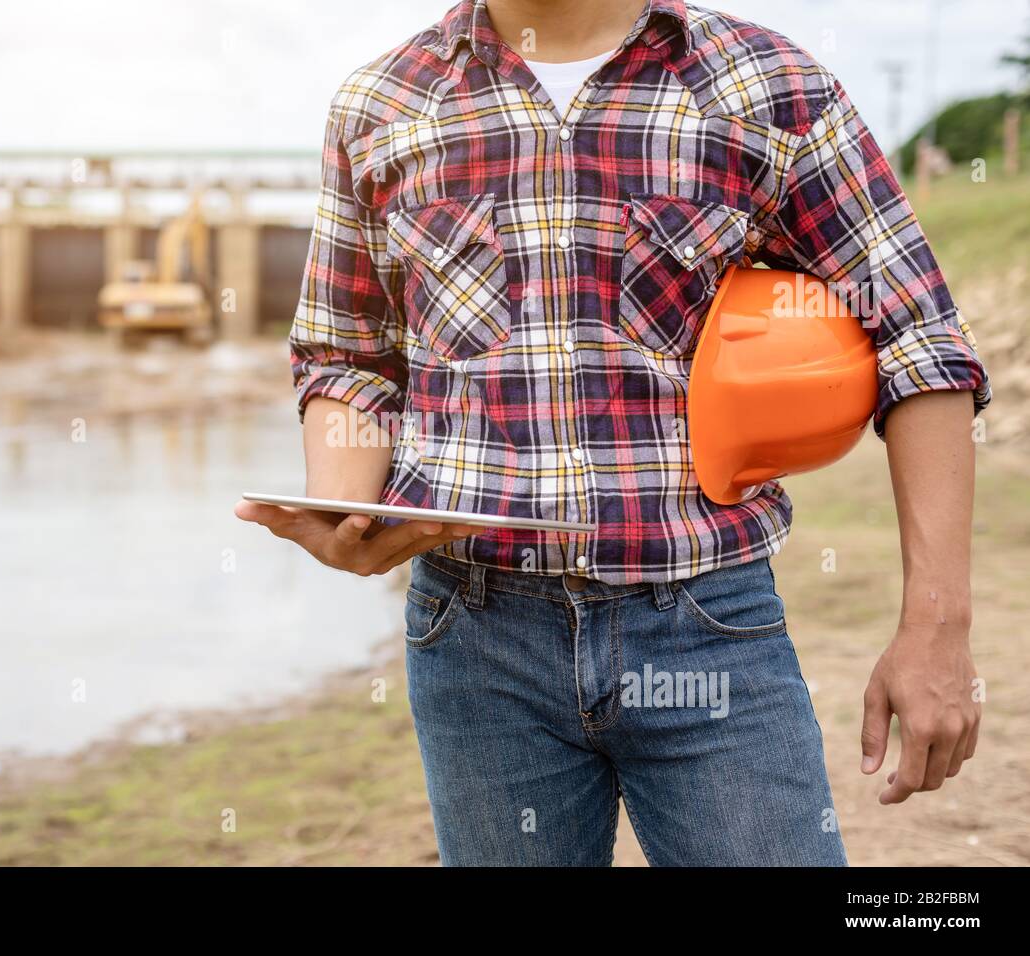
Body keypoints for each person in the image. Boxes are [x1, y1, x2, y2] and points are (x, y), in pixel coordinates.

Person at [236, 0, 990, 866]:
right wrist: (347, 512)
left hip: (708, 619)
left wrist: (937, 627)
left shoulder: (769, 84)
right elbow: (350, 357)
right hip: (472, 639)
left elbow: (920, 343)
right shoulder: (380, 105)